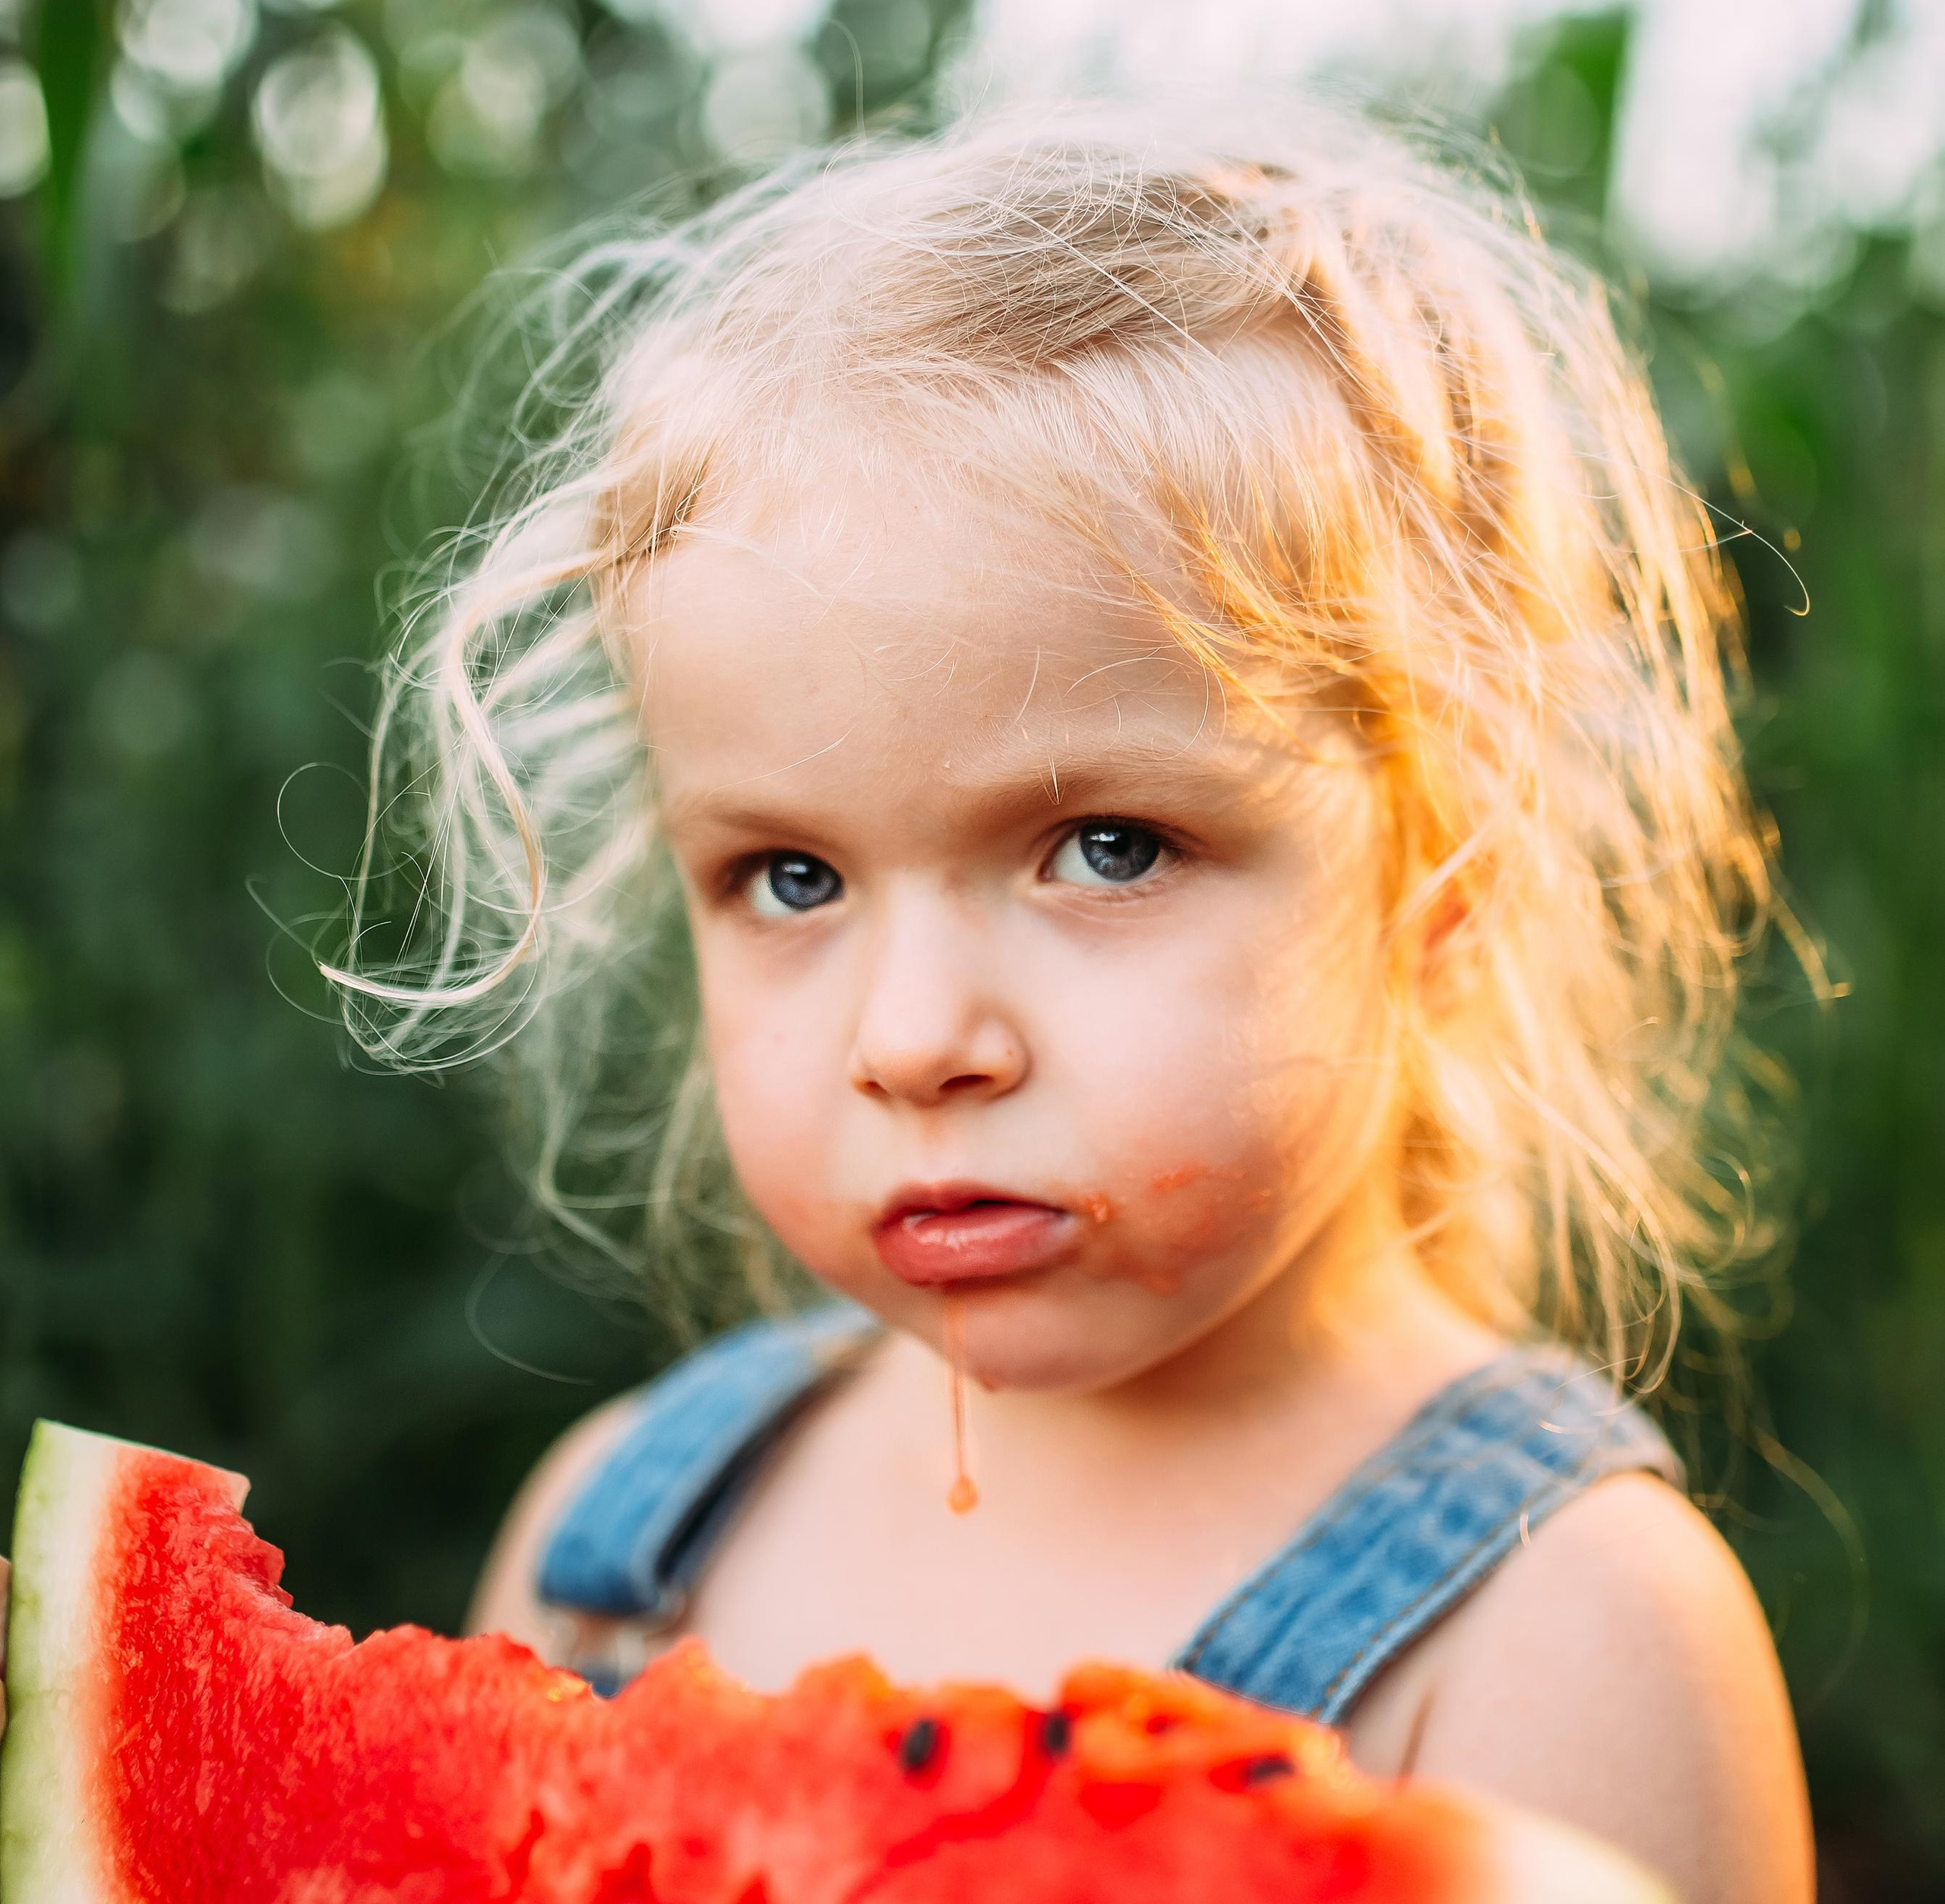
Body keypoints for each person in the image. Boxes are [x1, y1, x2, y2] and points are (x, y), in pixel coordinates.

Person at [330, 103, 1814, 1904]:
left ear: (1446, 880)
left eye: (1104, 846)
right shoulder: (610, 1537)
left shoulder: (1562, 1632)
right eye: (787, 876)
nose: (911, 1036)